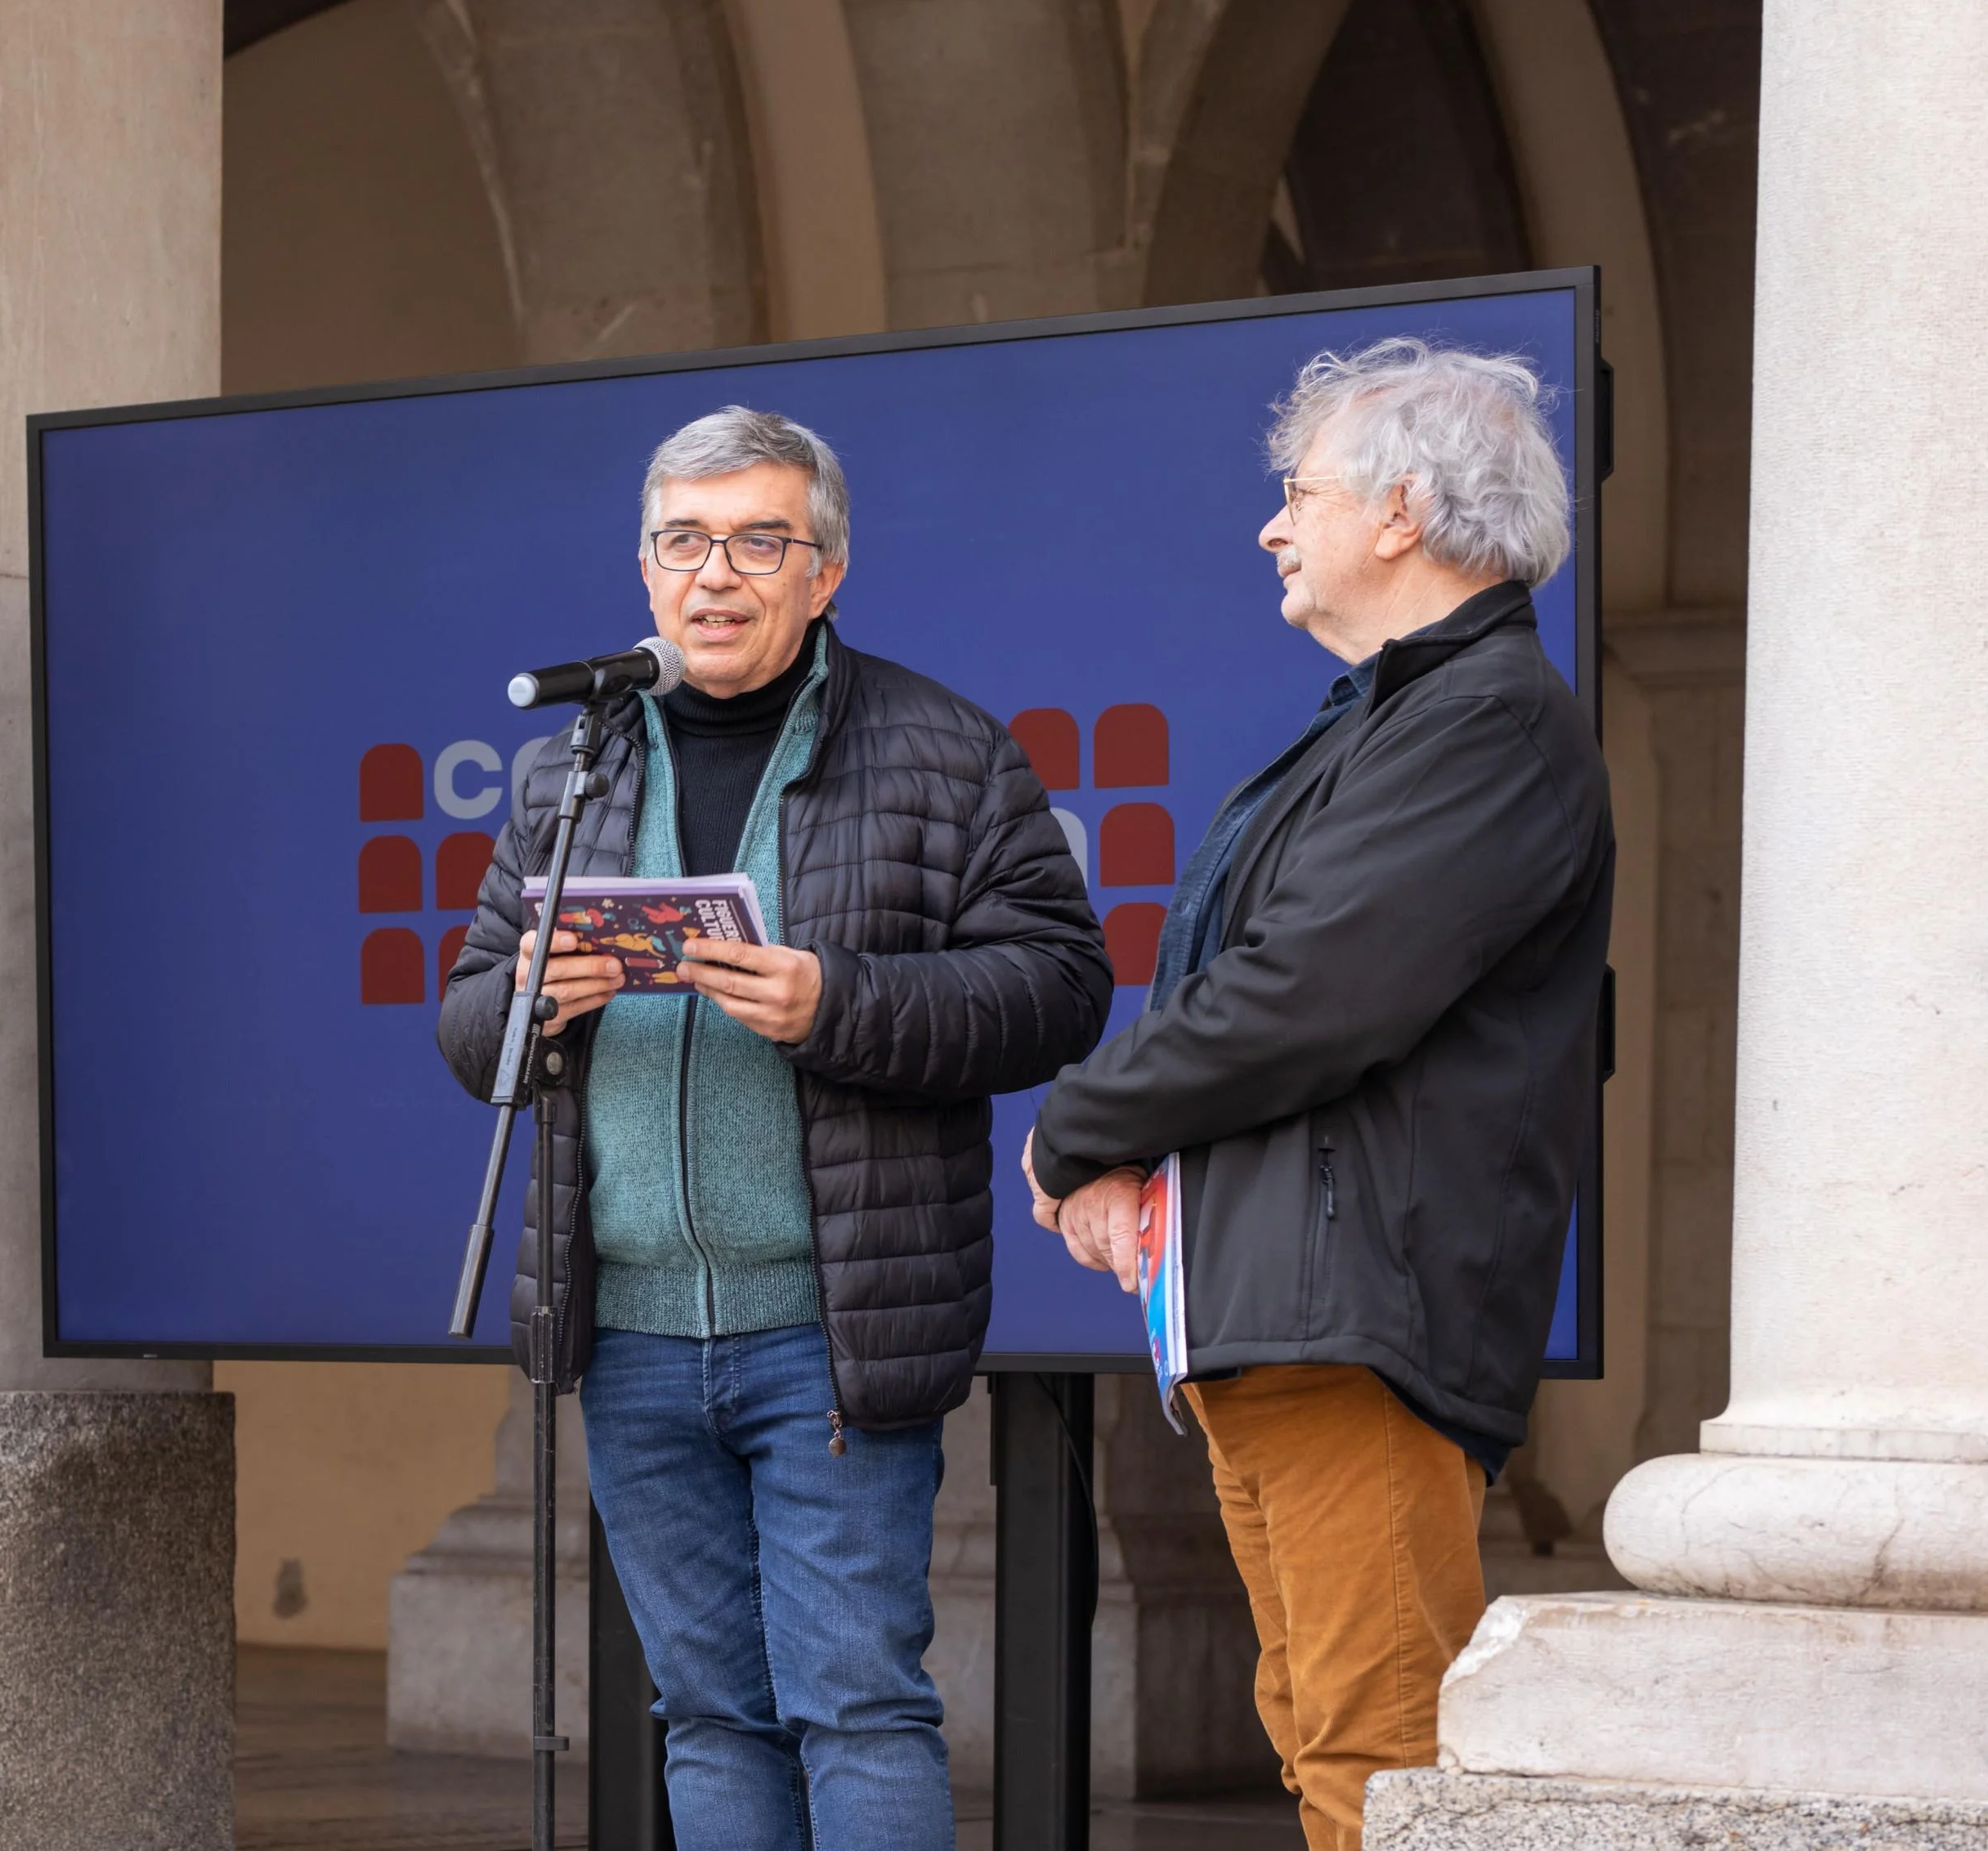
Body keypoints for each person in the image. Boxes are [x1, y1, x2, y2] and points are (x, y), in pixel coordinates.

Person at [439, 406, 1111, 1851]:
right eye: (685, 540)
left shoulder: (943, 749)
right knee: (708, 1714)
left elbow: (1062, 989)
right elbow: (463, 1018)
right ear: (643, 567)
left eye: (760, 540)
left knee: (854, 1704)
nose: (717, 573)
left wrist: (839, 1001)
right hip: (626, 1331)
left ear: (829, 571)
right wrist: (531, 1005)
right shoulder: (576, 771)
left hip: (832, 1324)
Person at [1021, 341, 1614, 1851]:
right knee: (1318, 1741)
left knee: (1379, 1757)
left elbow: (1307, 992)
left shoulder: (1488, 721)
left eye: (1297, 495)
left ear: (1403, 509)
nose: (1272, 530)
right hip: (1282, 1316)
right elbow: (1260, 984)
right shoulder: (1393, 714)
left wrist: (1079, 1125)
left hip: (1360, 1321)